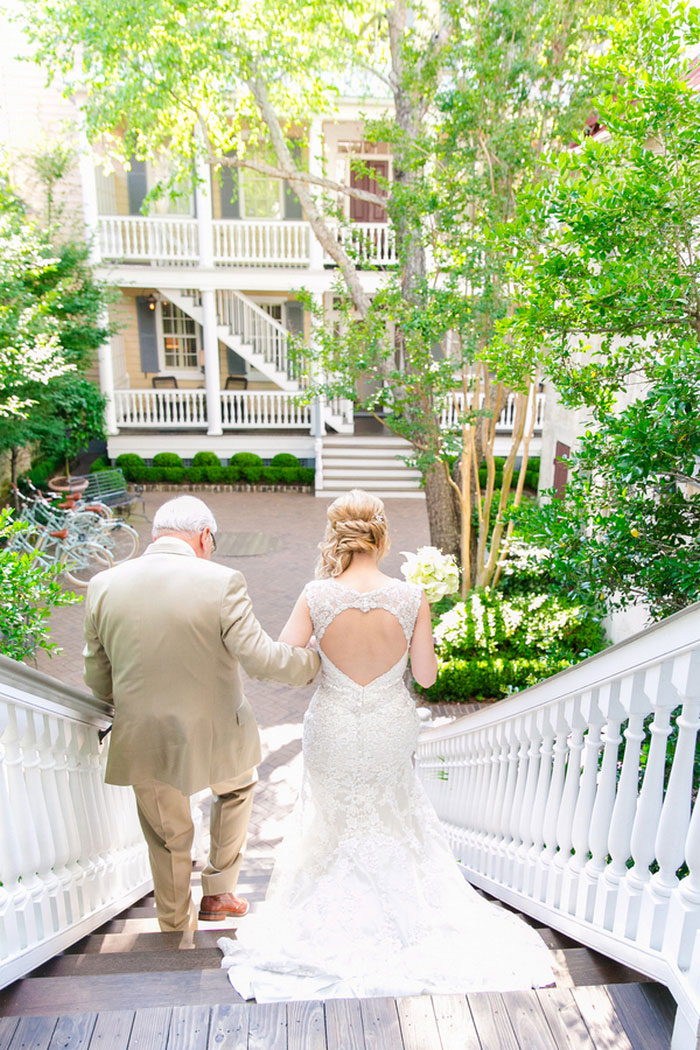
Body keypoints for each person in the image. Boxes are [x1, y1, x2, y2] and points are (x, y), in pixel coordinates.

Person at [219, 488, 554, 1000]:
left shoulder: (316, 594)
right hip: (388, 724)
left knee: (333, 821)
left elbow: (286, 660)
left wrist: (323, 656)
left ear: (339, 536)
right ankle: (405, 920)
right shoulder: (410, 596)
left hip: (332, 721)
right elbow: (425, 675)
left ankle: (328, 921)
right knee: (393, 815)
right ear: (380, 536)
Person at [83, 495, 320, 933]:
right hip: (217, 733)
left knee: (168, 835)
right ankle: (219, 893)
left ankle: (175, 928)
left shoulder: (104, 584)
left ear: (157, 535)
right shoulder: (223, 581)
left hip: (144, 734)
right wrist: (313, 663)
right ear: (204, 536)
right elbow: (261, 659)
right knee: (236, 789)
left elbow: (97, 675)